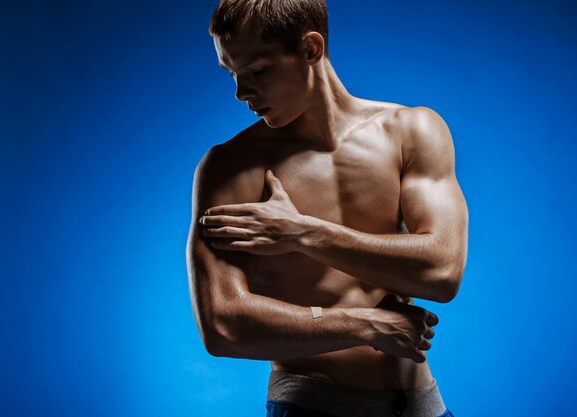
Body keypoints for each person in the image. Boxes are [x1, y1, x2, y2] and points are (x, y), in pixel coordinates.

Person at [186, 1, 468, 416]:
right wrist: (366, 324)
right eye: (233, 74)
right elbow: (223, 325)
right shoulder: (232, 167)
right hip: (313, 405)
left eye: (258, 71)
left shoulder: (411, 131)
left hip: (422, 404)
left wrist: (302, 233)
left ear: (310, 49)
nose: (241, 93)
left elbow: (441, 273)